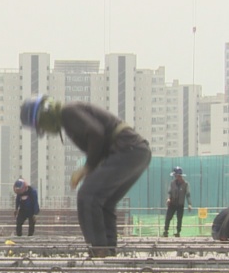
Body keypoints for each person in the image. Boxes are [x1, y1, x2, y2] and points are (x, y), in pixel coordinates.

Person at [20, 95, 151, 257]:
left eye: (41, 125)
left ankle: (99, 250)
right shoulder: (68, 119)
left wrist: (86, 168)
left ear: (44, 115)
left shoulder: (68, 112)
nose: (44, 130)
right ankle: (108, 250)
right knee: (105, 202)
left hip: (126, 150)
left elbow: (97, 134)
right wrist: (90, 172)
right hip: (136, 152)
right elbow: (99, 144)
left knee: (87, 196)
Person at [162, 166, 192, 237]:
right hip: (172, 204)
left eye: (176, 175)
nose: (175, 177)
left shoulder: (185, 184)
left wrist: (189, 204)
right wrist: (168, 199)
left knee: (179, 218)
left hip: (180, 205)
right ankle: (166, 231)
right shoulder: (172, 183)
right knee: (168, 217)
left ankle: (178, 232)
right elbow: (169, 192)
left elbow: (188, 195)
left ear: (179, 175)